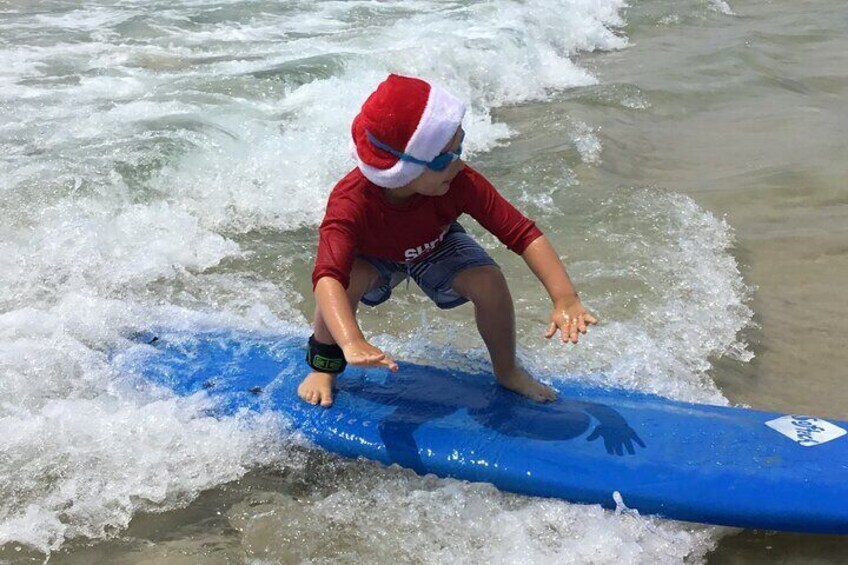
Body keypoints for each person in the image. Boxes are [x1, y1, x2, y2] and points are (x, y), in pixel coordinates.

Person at [299, 74, 597, 408]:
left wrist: (565, 298)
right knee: (345, 279)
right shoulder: (350, 201)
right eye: (445, 157)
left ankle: (507, 370)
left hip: (434, 243)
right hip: (374, 256)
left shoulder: (459, 180)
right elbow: (327, 277)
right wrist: (351, 340)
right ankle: (323, 368)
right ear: (402, 169)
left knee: (489, 281)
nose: (458, 161)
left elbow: (522, 233)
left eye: (460, 145)